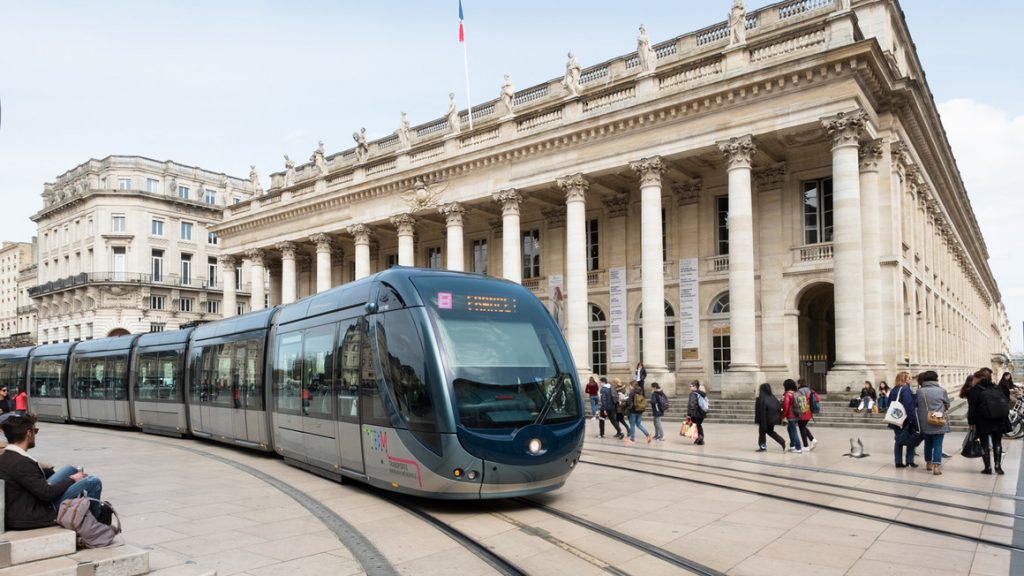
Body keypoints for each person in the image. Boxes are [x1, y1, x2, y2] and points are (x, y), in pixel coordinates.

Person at [0, 414, 104, 530]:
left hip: (25, 501)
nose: (35, 435)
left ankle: (81, 505)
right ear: (29, 433)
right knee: (93, 481)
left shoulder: (6, 456)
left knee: (71, 469)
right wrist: (72, 479)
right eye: (35, 431)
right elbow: (47, 494)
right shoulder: (22, 463)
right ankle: (94, 522)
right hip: (33, 513)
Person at [967, 367, 1010, 474]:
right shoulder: (997, 387)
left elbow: (972, 408)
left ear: (979, 378)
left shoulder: (974, 390)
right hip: (998, 419)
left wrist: (971, 422)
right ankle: (998, 466)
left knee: (984, 443)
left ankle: (988, 468)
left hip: (982, 420)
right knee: (997, 442)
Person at [915, 370, 950, 475]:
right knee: (938, 444)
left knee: (928, 443)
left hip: (925, 421)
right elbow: (947, 404)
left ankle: (929, 464)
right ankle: (937, 466)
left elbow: (917, 404)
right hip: (938, 420)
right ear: (936, 379)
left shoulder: (920, 391)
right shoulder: (941, 391)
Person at [888, 371, 919, 468]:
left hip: (895, 419)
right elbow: (908, 406)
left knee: (898, 440)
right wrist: (913, 419)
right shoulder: (905, 389)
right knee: (911, 439)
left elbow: (889, 403)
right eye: (909, 378)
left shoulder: (893, 390)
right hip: (905, 420)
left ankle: (898, 462)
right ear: (904, 379)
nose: (911, 379)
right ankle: (910, 460)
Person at [755, 382, 785, 452]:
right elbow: (779, 407)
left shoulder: (761, 399)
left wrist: (762, 423)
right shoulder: (773, 397)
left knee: (762, 433)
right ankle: (781, 441)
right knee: (770, 432)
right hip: (773, 419)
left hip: (765, 420)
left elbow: (762, 412)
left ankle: (762, 447)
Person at [625, 380, 652, 444]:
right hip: (640, 410)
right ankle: (647, 435)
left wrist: (625, 400)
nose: (629, 387)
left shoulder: (632, 392)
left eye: (630, 386)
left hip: (633, 411)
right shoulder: (641, 391)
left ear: (632, 385)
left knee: (632, 425)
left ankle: (632, 439)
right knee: (639, 424)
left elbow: (629, 402)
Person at [780, 379, 802, 453]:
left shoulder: (787, 394)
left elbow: (786, 406)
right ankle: (792, 446)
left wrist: (783, 416)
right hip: (796, 414)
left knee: (793, 431)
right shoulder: (796, 393)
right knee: (790, 430)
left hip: (790, 416)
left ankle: (798, 448)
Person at [796, 379, 819, 451]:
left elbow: (797, 402)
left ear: (799, 384)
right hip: (809, 411)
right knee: (803, 427)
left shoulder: (799, 391)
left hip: (803, 411)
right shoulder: (810, 390)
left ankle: (806, 446)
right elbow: (817, 399)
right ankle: (812, 440)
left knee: (801, 428)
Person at [686, 380, 706, 445]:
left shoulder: (693, 394)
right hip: (702, 412)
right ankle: (701, 439)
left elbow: (692, 404)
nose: (690, 387)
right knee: (699, 425)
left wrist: (689, 414)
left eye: (691, 386)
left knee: (694, 426)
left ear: (695, 387)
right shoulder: (701, 393)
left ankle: (698, 438)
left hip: (695, 413)